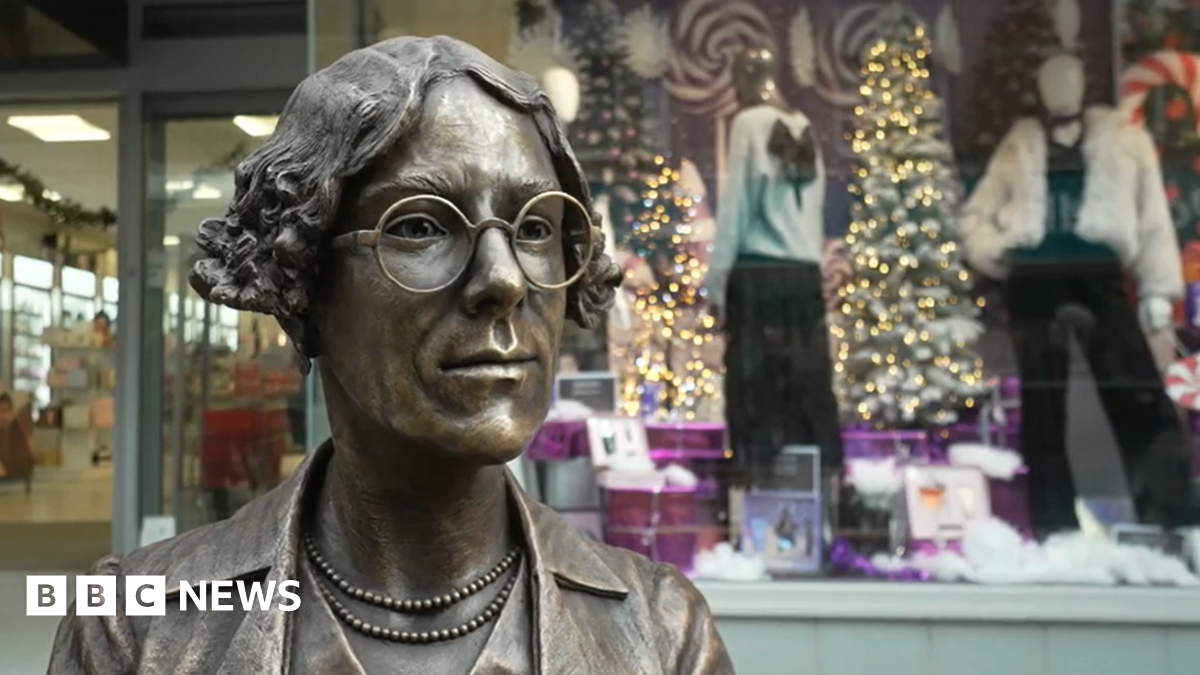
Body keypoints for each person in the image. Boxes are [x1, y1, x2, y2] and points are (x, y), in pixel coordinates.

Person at [47, 36, 734, 675]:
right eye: (419, 225)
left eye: (534, 227)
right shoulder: (131, 629)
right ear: (303, 285)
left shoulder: (663, 632)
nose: (504, 279)